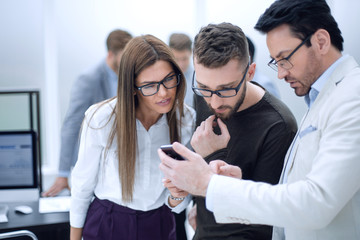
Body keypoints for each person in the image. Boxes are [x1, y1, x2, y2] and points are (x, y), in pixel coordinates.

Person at [158, 0, 360, 239]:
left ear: (321, 42)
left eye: (285, 59)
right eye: (277, 62)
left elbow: (315, 202)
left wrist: (210, 184)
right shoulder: (319, 98)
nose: (281, 73)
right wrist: (217, 188)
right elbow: (289, 190)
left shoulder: (350, 98)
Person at [70, 34, 196, 239]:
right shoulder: (101, 118)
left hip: (160, 223)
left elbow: (176, 207)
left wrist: (177, 195)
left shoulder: (187, 119)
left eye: (169, 79)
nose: (163, 93)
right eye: (149, 86)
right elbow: (82, 187)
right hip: (108, 224)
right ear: (133, 88)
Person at [184, 22, 298, 239]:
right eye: (204, 87)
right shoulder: (204, 94)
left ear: (250, 72)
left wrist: (214, 156)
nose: (214, 102)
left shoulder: (279, 125)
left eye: (226, 89)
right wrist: (194, 201)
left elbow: (261, 219)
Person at [42, 29, 132, 197]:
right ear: (111, 54)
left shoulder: (130, 76)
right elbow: (71, 124)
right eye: (125, 55)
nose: (129, 61)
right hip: (94, 162)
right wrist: (62, 174)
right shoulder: (89, 79)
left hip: (121, 162)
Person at [169, 33, 195, 107]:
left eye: (184, 59)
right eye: (177, 59)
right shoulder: (163, 78)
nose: (181, 64)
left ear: (191, 52)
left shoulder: (199, 79)